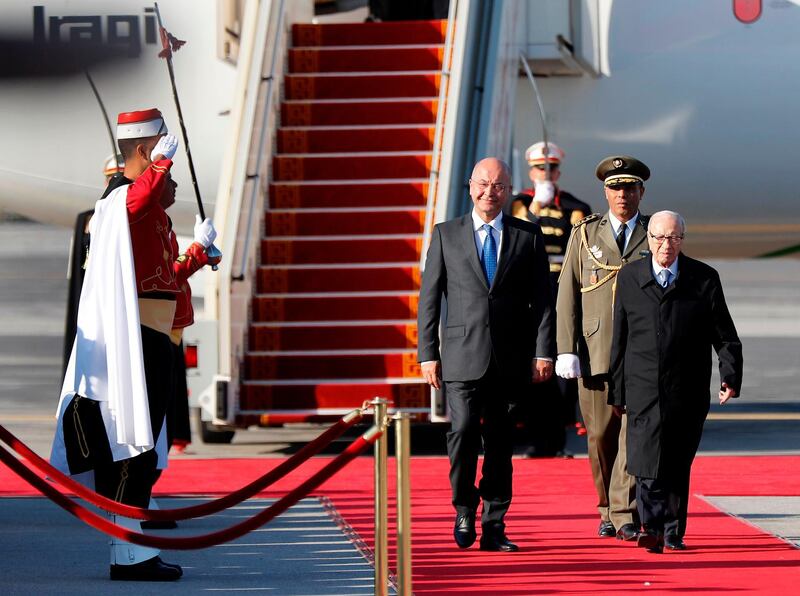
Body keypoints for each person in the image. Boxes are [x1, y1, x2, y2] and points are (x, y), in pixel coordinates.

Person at [50, 108, 212, 581]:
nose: (169, 169)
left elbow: (159, 278)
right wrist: (160, 165)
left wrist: (198, 255)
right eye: (159, 148)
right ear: (144, 150)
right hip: (135, 340)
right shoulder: (120, 201)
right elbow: (135, 200)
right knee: (130, 445)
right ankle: (130, 554)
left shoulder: (144, 211)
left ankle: (133, 547)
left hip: (153, 337)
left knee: (142, 445)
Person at [417, 157, 555, 552]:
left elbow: (543, 301)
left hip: (510, 358)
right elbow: (430, 299)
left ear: (508, 190)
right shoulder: (447, 234)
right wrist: (428, 353)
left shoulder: (527, 236)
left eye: (496, 186)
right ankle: (463, 507)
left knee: (499, 444)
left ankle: (494, 524)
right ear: (469, 186)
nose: (488, 192)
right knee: (460, 433)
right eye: (481, 184)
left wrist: (543, 351)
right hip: (461, 357)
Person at [608, 210, 743, 553]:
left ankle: (672, 531)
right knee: (645, 461)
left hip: (687, 388)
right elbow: (619, 339)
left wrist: (730, 374)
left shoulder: (703, 278)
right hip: (642, 387)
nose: (666, 245)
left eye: (674, 238)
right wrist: (617, 389)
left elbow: (724, 335)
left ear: (683, 239)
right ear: (648, 239)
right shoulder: (630, 277)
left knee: (677, 461)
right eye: (659, 237)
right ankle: (650, 527)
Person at [555, 155, 652, 542]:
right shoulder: (584, 235)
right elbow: (567, 296)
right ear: (605, 192)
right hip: (596, 350)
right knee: (600, 435)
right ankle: (606, 507)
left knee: (632, 435)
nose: (622, 194)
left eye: (630, 187)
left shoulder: (653, 233)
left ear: (641, 191)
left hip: (640, 353)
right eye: (615, 187)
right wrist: (566, 349)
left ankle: (624, 511)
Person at [511, 141, 591, 458]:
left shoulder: (575, 207)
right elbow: (515, 236)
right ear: (530, 170)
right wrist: (534, 210)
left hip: (561, 288)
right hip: (528, 291)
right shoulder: (519, 204)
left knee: (561, 365)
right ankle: (534, 436)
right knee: (532, 362)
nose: (546, 173)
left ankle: (557, 439)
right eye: (540, 168)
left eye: (552, 168)